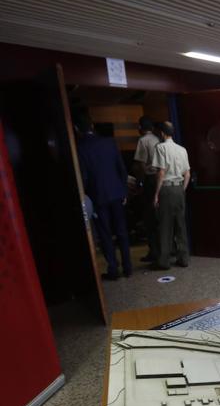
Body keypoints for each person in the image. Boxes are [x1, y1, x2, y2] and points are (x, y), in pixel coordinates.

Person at [73, 106, 132, 281]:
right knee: (122, 231)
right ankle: (128, 268)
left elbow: (83, 176)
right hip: (117, 194)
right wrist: (124, 192)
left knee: (105, 234)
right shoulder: (110, 142)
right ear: (91, 124)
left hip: (98, 197)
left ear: (76, 128)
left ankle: (113, 269)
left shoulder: (80, 147)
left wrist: (85, 197)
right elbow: (121, 169)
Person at [151, 121, 191, 270]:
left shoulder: (160, 148)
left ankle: (164, 261)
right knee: (181, 225)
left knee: (166, 226)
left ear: (162, 133)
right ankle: (183, 258)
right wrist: (182, 189)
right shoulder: (182, 149)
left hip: (166, 190)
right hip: (179, 189)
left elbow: (161, 172)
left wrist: (156, 194)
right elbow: (187, 174)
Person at [132, 116, 160, 263]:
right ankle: (166, 248)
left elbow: (142, 165)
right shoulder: (158, 139)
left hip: (150, 181)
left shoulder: (143, 141)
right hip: (161, 180)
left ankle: (154, 252)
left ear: (141, 128)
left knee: (149, 219)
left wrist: (139, 183)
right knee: (160, 217)